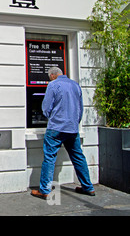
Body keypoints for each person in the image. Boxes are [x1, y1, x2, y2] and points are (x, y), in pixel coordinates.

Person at [31, 67, 95, 200]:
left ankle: (45, 190)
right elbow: (80, 109)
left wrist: (50, 117)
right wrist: (74, 122)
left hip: (56, 127)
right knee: (78, 156)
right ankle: (88, 187)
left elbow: (46, 107)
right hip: (72, 128)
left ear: (53, 76)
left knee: (49, 157)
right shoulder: (75, 85)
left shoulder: (53, 85)